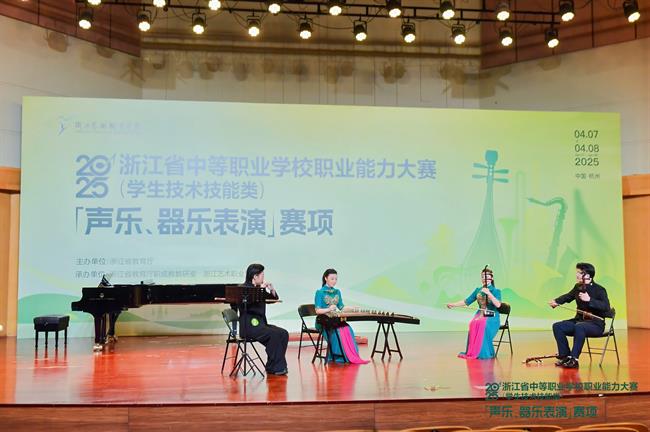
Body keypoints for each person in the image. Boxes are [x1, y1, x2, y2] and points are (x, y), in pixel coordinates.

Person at [549, 262, 610, 369]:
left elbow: (606, 307)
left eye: (580, 273)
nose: (577, 275)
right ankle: (565, 356)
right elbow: (568, 297)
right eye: (577, 272)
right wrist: (556, 301)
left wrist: (589, 300)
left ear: (588, 275)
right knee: (557, 326)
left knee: (580, 327)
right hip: (579, 321)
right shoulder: (578, 287)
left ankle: (574, 359)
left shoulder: (599, 290)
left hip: (595, 324)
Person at [235, 263, 289, 375]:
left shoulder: (259, 289)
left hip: (261, 324)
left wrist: (272, 290)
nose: (263, 278)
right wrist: (261, 290)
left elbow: (273, 299)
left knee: (283, 333)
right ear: (255, 276)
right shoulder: (243, 288)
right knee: (273, 335)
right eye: (262, 275)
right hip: (249, 326)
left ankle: (271, 366)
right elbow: (246, 304)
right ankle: (278, 368)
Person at [314, 269, 369, 364]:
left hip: (334, 320)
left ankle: (348, 356)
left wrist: (353, 308)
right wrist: (328, 309)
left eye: (336, 279)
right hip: (323, 321)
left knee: (348, 329)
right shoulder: (320, 292)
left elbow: (341, 307)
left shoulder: (337, 292)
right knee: (337, 332)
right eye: (332, 279)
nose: (334, 281)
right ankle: (338, 356)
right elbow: (317, 311)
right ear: (326, 278)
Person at [447, 266, 502, 359]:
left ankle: (482, 352)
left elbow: (498, 305)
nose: (484, 279)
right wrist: (453, 304)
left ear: (491, 278)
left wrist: (489, 293)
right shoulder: (478, 290)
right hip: (480, 314)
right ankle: (474, 351)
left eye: (486, 277)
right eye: (482, 277)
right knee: (473, 323)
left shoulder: (496, 291)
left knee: (482, 323)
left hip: (492, 316)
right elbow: (466, 301)